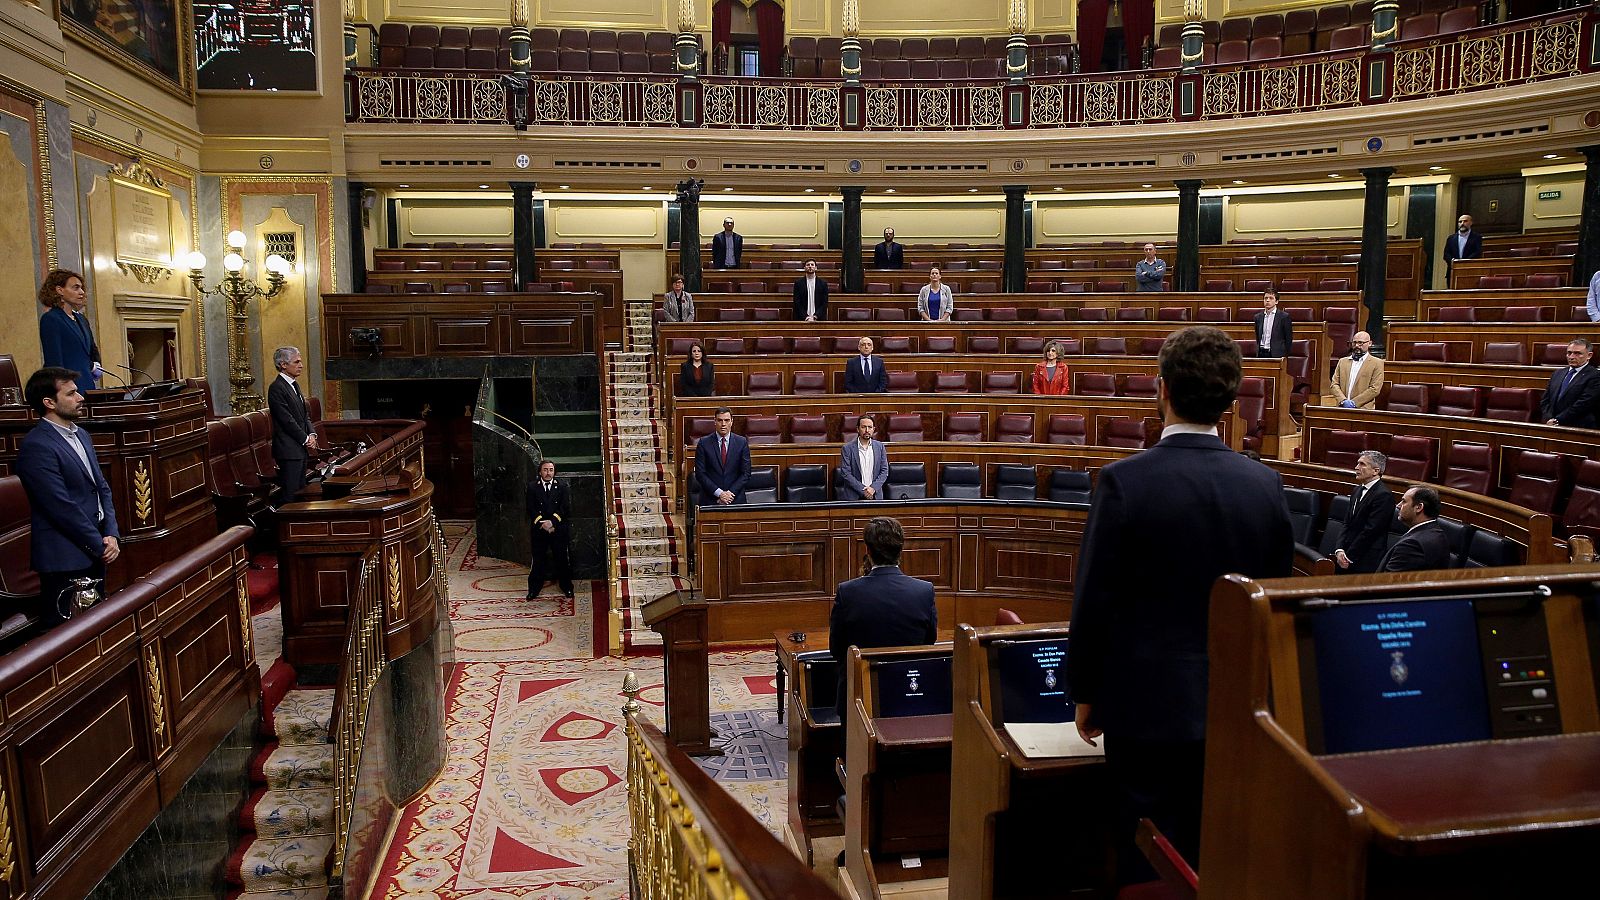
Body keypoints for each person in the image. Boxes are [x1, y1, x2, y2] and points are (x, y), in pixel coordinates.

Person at [1068, 325, 1294, 879]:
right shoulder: (1265, 485)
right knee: (1214, 850)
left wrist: (1086, 693)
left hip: (1146, 710)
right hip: (1238, 709)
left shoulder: (1125, 482)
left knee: (1146, 858)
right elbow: (1276, 601)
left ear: (1161, 389)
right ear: (1230, 398)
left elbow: (1095, 597)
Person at [15, 367, 119, 626]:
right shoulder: (37, 445)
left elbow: (101, 487)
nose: (81, 397)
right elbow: (60, 507)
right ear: (49, 402)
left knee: (97, 630)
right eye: (71, 393)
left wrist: (112, 533)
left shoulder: (81, 434)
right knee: (71, 640)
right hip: (65, 558)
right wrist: (99, 543)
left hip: (95, 547)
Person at [828, 516, 937, 717]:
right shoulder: (924, 591)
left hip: (858, 697)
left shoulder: (847, 592)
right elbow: (929, 642)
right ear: (900, 550)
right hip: (911, 691)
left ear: (867, 551)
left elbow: (836, 649)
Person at [268, 346, 318, 504]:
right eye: (297, 362)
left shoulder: (294, 385)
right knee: (291, 494)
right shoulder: (276, 388)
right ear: (283, 364)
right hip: (288, 450)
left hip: (300, 449)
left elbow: (304, 416)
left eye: (301, 361)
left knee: (301, 492)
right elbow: (286, 419)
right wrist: (304, 438)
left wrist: (312, 434)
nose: (301, 365)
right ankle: (286, 528)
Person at [37, 269, 103, 389]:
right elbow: (54, 362)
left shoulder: (81, 319)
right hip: (68, 388)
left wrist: (95, 364)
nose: (82, 292)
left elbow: (91, 349)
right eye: (76, 288)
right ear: (60, 290)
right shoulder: (51, 319)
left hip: (87, 386)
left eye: (82, 288)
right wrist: (64, 389)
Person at [1333, 451, 1394, 575]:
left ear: (1375, 471)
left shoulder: (1384, 495)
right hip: (1346, 554)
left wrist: (1349, 556)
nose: (1356, 468)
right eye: (1357, 463)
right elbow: (1347, 522)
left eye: (1362, 464)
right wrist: (1339, 549)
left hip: (1366, 558)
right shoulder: (1357, 490)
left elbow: (1371, 530)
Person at [525, 459, 574, 599]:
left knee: (562, 559)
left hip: (557, 529)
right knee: (538, 560)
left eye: (551, 470)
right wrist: (543, 523)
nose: (548, 473)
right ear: (540, 471)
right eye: (545, 470)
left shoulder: (562, 486)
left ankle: (567, 587)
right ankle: (534, 589)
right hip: (539, 530)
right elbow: (530, 508)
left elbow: (564, 508)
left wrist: (552, 523)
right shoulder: (533, 487)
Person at [1378, 486, 1451, 572]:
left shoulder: (1413, 545)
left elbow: (1388, 582)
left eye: (1404, 501)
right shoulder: (1435, 532)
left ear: (1419, 507)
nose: (1398, 505)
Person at [695, 407, 750, 506]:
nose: (723, 424)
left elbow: (746, 473)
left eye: (727, 420)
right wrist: (719, 493)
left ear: (732, 422)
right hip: (710, 499)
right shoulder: (704, 443)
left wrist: (729, 494)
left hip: (735, 499)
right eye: (720, 420)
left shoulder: (742, 442)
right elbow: (700, 474)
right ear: (715, 421)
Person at [1539, 338, 1599, 429]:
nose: (1571, 356)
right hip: (1551, 424)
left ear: (1589, 355)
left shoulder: (1595, 376)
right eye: (1569, 353)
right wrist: (1549, 418)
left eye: (1577, 353)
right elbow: (1545, 399)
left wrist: (1558, 420)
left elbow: (1584, 403)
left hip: (1579, 427)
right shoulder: (1558, 373)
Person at [836, 414, 888, 501]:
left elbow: (884, 471)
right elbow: (846, 473)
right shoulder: (847, 448)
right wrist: (864, 490)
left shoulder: (880, 447)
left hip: (875, 496)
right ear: (858, 429)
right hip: (854, 497)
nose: (867, 430)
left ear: (873, 429)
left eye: (870, 427)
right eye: (864, 427)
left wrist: (873, 488)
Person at [1331, 331, 1383, 409]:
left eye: (1360, 343)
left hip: (1363, 410)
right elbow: (1334, 384)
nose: (1357, 346)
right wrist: (1343, 401)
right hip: (1341, 408)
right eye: (1354, 342)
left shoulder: (1377, 363)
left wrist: (1355, 403)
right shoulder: (1342, 361)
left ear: (1370, 343)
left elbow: (1375, 389)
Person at [1252, 289, 1292, 359]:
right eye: (1265, 298)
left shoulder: (1284, 317)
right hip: (1261, 353)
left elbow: (1288, 339)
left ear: (1276, 301)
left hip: (1277, 354)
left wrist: (1285, 355)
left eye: (1271, 298)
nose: (1267, 300)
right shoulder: (1258, 317)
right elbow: (1258, 336)